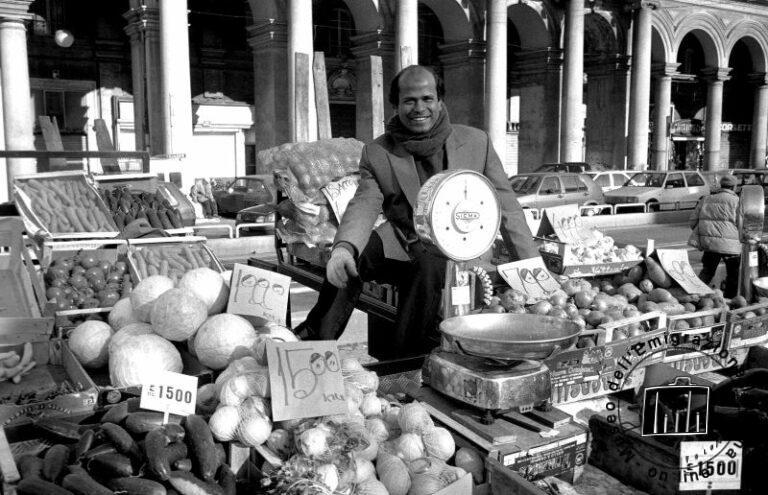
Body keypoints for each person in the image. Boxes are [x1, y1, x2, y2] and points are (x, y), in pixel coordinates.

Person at [294, 65, 538, 359]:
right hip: (402, 241)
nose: (419, 108)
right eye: (409, 100)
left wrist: (531, 270)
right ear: (396, 106)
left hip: (457, 252)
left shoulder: (477, 143)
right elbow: (365, 203)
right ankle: (314, 343)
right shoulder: (379, 152)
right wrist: (343, 249)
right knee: (354, 256)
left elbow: (507, 205)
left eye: (427, 98)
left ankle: (403, 361)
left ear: (440, 101)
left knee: (430, 265)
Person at [689, 175, 742, 298]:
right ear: (734, 187)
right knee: (733, 276)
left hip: (710, 245)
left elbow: (692, 221)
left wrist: (705, 234)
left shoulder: (706, 199)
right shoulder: (738, 202)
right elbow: (742, 225)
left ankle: (695, 298)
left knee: (707, 272)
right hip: (731, 247)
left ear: (721, 186)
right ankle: (729, 302)